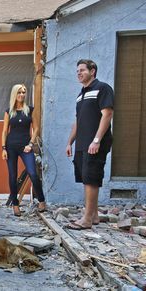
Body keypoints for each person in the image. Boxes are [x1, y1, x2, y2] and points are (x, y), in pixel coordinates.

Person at [65, 59, 114, 230]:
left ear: (93, 71)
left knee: (92, 178)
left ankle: (86, 219)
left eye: (82, 70)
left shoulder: (103, 88)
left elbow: (107, 114)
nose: (78, 73)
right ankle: (94, 216)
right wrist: (70, 142)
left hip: (95, 143)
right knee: (86, 178)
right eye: (77, 70)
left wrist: (96, 140)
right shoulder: (81, 94)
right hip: (82, 143)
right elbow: (78, 121)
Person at [1, 84, 46, 217]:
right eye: (19, 92)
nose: (22, 94)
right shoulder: (9, 111)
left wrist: (31, 144)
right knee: (12, 176)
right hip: (11, 147)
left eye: (24, 92)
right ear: (15, 94)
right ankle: (15, 204)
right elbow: (4, 131)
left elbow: (36, 128)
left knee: (33, 173)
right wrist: (3, 148)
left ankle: (42, 201)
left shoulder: (30, 110)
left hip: (26, 147)